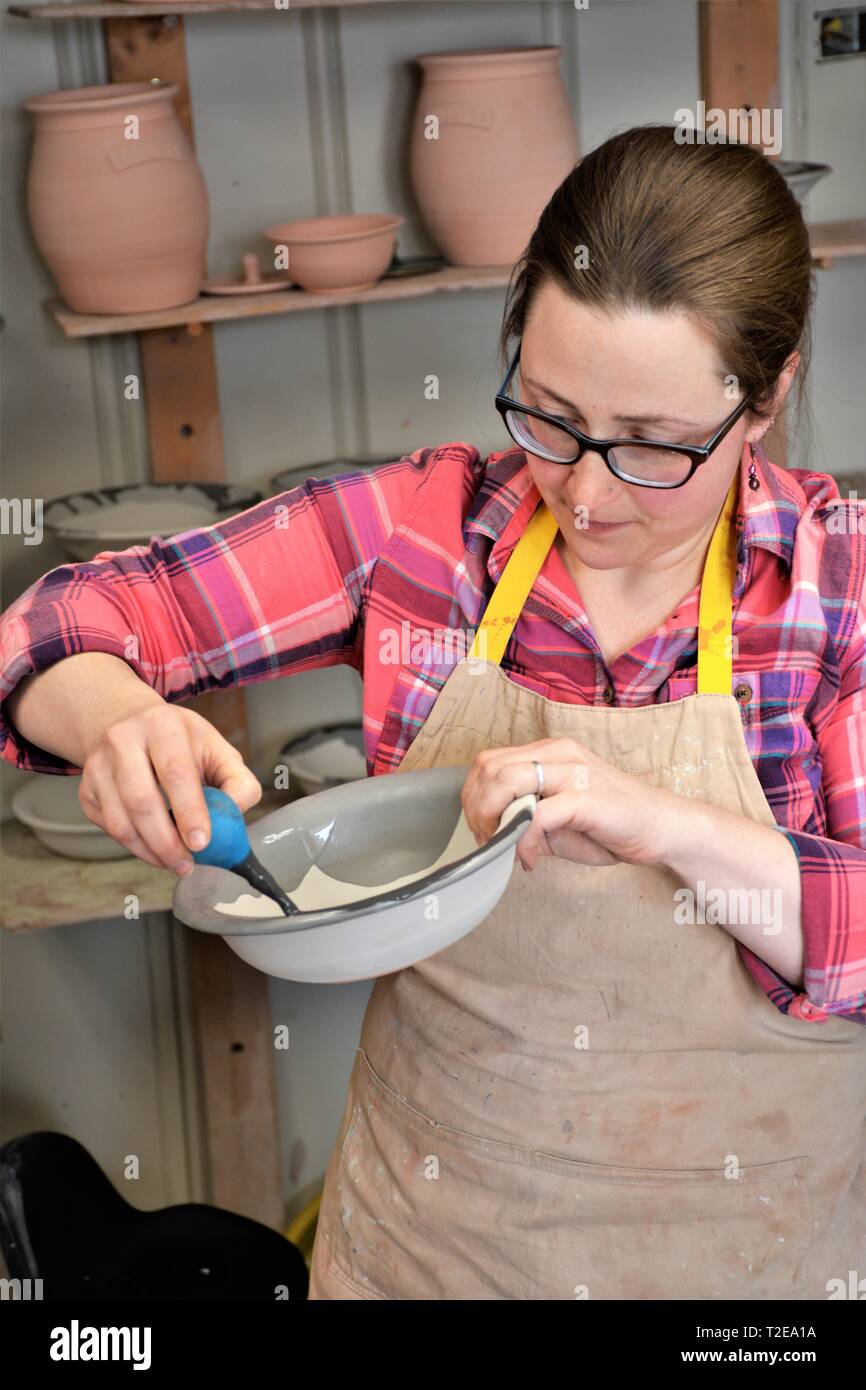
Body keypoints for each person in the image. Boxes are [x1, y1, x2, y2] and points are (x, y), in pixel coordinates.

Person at [2, 125, 864, 1300]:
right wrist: (109, 716)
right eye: (549, 415)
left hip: (747, 1266)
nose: (588, 491)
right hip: (433, 1247)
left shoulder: (836, 585)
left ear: (763, 397)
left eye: (654, 446)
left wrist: (664, 824)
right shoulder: (422, 531)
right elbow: (62, 619)